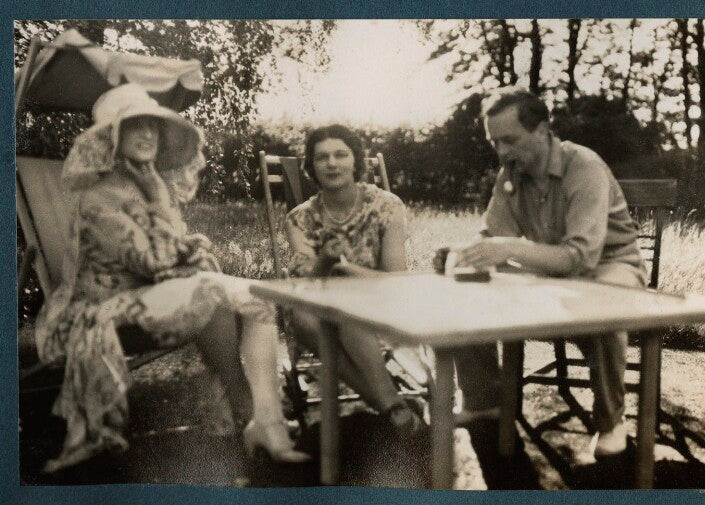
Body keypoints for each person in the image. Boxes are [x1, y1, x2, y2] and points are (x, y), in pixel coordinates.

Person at [34, 83, 310, 472]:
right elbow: (158, 261)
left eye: (152, 125)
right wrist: (165, 210)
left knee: (257, 296)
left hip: (152, 297)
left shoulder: (149, 185)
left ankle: (266, 422)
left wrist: (179, 236)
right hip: (100, 310)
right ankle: (244, 409)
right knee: (214, 291)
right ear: (112, 138)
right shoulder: (99, 199)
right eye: (134, 126)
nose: (147, 134)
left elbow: (176, 254)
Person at [450, 87, 648, 456]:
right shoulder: (510, 174)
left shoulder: (583, 165)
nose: (502, 152)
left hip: (611, 264)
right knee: (465, 287)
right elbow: (494, 234)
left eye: (510, 140)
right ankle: (484, 401)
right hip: (550, 269)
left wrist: (509, 249)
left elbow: (582, 258)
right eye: (495, 142)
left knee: (604, 307)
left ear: (542, 130)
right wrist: (466, 252)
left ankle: (611, 422)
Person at [284, 124, 423, 434]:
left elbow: (395, 280)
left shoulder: (387, 207)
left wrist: (345, 267)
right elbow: (310, 281)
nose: (332, 164)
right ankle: (393, 406)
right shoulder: (299, 218)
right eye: (322, 158)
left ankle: (389, 406)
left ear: (356, 161)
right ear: (311, 166)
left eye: (340, 155)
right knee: (304, 317)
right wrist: (323, 263)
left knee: (346, 311)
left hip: (379, 302)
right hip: (319, 303)